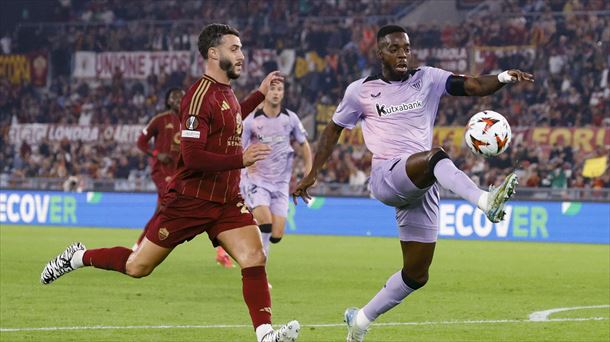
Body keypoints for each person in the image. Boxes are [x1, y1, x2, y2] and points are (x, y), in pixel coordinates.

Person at [41, 23, 300, 342]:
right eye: (235, 49)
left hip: (225, 201)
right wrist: (240, 159)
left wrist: (259, 93)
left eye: (241, 48)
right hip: (190, 201)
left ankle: (265, 334)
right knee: (138, 267)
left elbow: (232, 117)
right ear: (213, 53)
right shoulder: (198, 96)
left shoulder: (226, 93)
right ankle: (78, 257)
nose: (242, 55)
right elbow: (192, 157)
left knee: (255, 256)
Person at [293, 25, 534, 342]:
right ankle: (485, 202)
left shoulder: (429, 79)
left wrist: (502, 78)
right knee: (435, 156)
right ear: (380, 52)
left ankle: (360, 321)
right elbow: (332, 130)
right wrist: (312, 173)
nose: (403, 54)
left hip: (422, 184)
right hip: (387, 175)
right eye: (394, 49)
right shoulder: (360, 91)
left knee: (417, 274)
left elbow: (473, 85)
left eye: (406, 48)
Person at [221, 80, 312, 279]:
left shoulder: (291, 119)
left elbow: (304, 146)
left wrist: (309, 173)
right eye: (272, 89)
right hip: (256, 180)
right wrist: (247, 167)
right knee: (265, 224)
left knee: (276, 234)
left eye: (280, 89)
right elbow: (238, 148)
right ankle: (258, 272)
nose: (276, 93)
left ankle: (234, 233)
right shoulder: (251, 121)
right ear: (265, 92)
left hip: (280, 184)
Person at [133, 88, 184, 250]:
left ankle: (141, 246)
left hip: (179, 173)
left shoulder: (189, 121)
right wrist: (157, 154)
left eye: (180, 97)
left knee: (162, 211)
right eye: (174, 97)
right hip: (162, 172)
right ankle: (141, 246)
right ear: (168, 101)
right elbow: (141, 142)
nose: (177, 99)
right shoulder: (160, 120)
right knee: (167, 204)